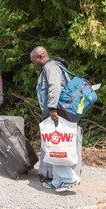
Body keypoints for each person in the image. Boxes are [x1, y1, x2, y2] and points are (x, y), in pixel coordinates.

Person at [30, 46, 81, 192]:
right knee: (53, 146)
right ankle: (57, 180)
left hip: (57, 112)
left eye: (34, 61)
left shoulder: (50, 67)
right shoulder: (52, 66)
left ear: (40, 57)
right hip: (58, 111)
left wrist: (52, 108)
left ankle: (69, 179)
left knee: (57, 146)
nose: (34, 64)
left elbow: (54, 87)